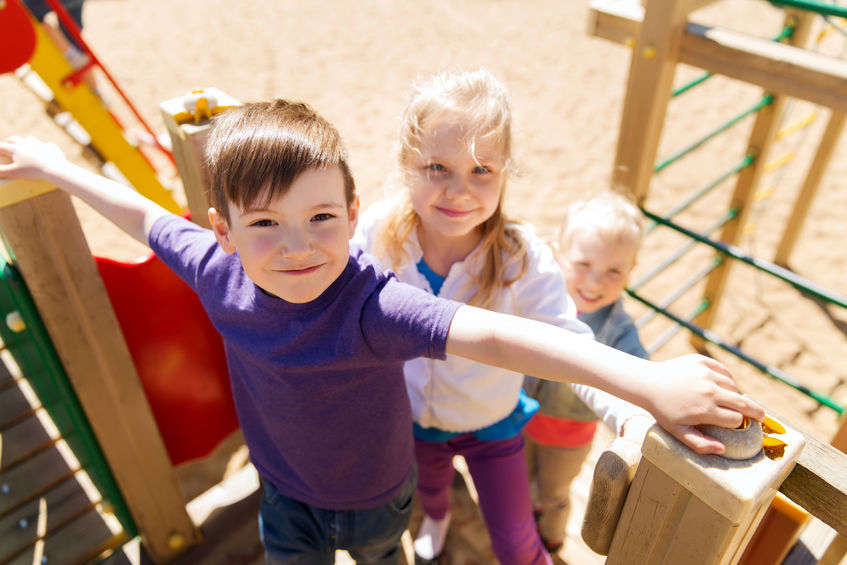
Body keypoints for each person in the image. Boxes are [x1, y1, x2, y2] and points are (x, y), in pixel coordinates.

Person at [0, 99, 762, 565]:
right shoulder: (213, 270)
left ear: (352, 212)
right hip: (283, 491)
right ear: (222, 231)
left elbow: (500, 337)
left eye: (320, 218)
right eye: (265, 224)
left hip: (376, 496)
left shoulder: (372, 307)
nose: (298, 246)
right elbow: (143, 216)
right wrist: (55, 166)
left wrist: (643, 380)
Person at [351, 69, 672, 564]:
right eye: (437, 167)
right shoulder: (379, 232)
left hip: (492, 425)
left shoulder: (521, 258)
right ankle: (438, 518)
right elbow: (331, 292)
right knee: (432, 489)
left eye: (482, 170)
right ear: (405, 164)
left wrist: (630, 409)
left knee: (517, 540)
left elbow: (569, 343)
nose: (459, 191)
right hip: (412, 419)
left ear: (505, 172)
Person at [523, 190, 649, 553]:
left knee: (554, 491)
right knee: (521, 479)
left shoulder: (618, 329)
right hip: (521, 416)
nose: (595, 283)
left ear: (630, 271)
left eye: (614, 271)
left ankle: (551, 537)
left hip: (568, 436)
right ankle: (526, 516)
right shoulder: (541, 299)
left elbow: (641, 372)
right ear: (557, 253)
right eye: (583, 264)